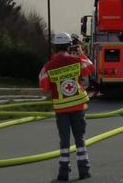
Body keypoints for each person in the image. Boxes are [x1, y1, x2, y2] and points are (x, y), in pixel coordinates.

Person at [39, 32, 95, 181]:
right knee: (80, 138)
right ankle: (84, 170)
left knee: (64, 140)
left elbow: (43, 85)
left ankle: (63, 172)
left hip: (61, 109)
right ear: (69, 46)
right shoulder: (76, 60)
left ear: (54, 47)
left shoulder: (48, 66)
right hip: (78, 106)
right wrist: (81, 54)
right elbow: (90, 68)